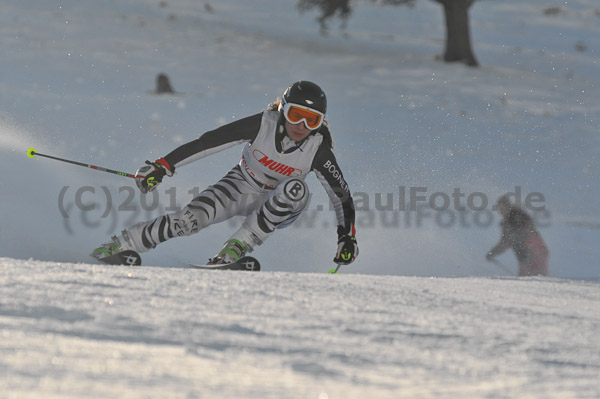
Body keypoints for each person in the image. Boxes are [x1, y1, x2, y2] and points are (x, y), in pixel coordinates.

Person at [91, 81, 358, 266]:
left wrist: (347, 237)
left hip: (281, 201)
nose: (300, 126)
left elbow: (341, 197)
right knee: (188, 221)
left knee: (295, 189)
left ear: (320, 122)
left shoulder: (317, 149)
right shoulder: (262, 124)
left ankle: (235, 249)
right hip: (241, 185)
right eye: (295, 114)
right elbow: (209, 142)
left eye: (311, 120)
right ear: (282, 110)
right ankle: (120, 245)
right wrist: (163, 166)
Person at [486, 194, 548, 276]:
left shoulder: (516, 217)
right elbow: (506, 241)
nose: (501, 211)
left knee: (532, 278)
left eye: (503, 207)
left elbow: (507, 241)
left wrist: (493, 252)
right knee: (529, 278)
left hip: (533, 253)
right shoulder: (511, 219)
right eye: (499, 208)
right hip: (530, 254)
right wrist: (493, 252)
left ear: (508, 205)